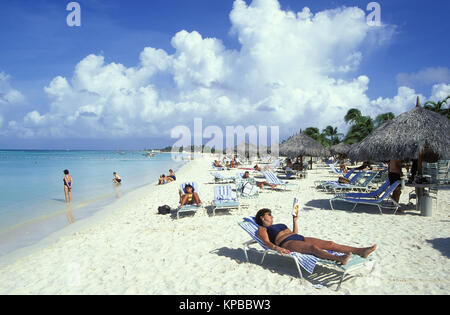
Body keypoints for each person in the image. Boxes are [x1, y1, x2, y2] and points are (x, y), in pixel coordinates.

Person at [255, 209, 377, 265]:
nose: (272, 216)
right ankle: (339, 259)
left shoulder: (278, 224)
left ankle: (361, 251)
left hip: (298, 237)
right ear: (262, 217)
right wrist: (277, 248)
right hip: (287, 243)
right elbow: (266, 242)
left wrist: (295, 221)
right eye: (269, 215)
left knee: (330, 244)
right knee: (313, 248)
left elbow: (295, 232)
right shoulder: (262, 229)